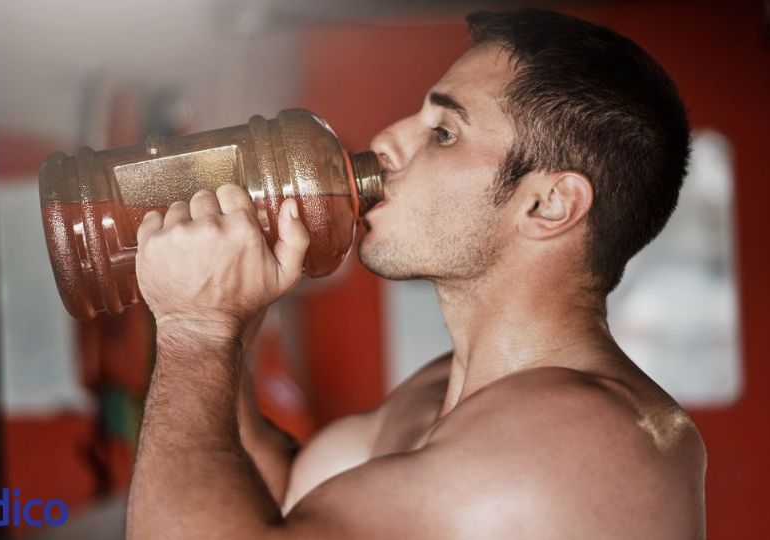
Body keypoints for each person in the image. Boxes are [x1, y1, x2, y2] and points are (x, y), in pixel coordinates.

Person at [125, 8, 707, 540]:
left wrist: (194, 331)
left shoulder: (588, 437)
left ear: (548, 204)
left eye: (444, 133)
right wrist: (229, 327)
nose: (386, 142)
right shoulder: (447, 389)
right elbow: (284, 496)